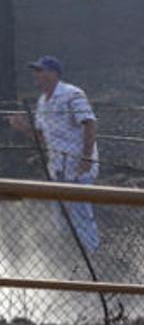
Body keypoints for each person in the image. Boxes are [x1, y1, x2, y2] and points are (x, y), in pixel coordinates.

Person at [8, 56, 99, 253]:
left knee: (80, 213)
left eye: (41, 71)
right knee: (61, 215)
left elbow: (90, 123)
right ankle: (69, 255)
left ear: (54, 74)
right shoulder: (42, 102)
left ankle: (91, 255)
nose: (36, 76)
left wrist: (86, 158)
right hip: (57, 168)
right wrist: (23, 128)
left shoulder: (72, 94)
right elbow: (42, 138)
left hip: (77, 166)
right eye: (36, 71)